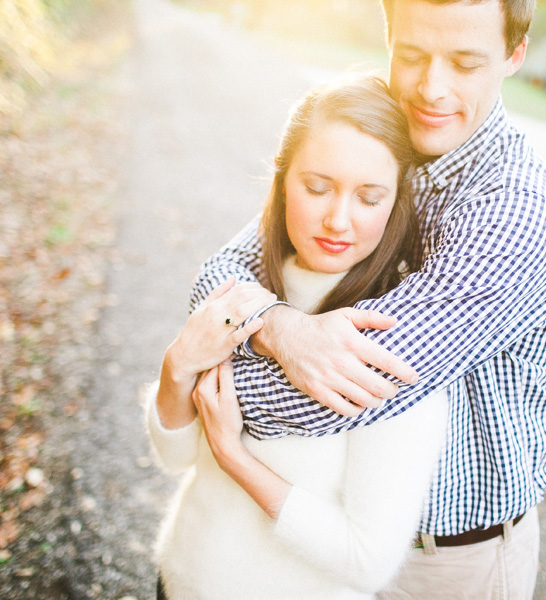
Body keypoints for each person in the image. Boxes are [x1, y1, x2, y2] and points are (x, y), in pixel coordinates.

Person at [190, 1, 546, 598]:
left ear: (514, 56)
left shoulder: (513, 213)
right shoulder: (376, 128)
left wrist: (201, 378)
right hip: (326, 536)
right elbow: (221, 271)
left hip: (445, 562)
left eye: (465, 63)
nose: (432, 88)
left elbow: (340, 392)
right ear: (389, 38)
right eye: (414, 55)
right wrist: (276, 326)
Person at [147, 75, 449, 600]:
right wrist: (176, 366)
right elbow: (174, 456)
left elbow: (367, 559)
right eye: (317, 187)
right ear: (283, 180)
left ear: (396, 202)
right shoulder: (245, 292)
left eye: (369, 197)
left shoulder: (393, 337)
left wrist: (234, 457)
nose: (338, 219)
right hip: (178, 581)